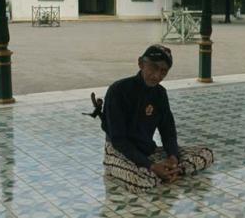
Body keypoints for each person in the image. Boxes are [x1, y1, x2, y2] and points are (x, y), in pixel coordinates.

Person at [87, 44, 214, 193]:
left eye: (163, 72)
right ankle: (152, 171)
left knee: (206, 153)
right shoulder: (119, 90)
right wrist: (152, 166)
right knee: (141, 182)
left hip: (148, 151)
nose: (157, 76)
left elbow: (168, 130)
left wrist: (173, 157)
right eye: (153, 68)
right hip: (118, 152)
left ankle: (167, 172)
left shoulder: (160, 93)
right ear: (141, 63)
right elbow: (118, 140)